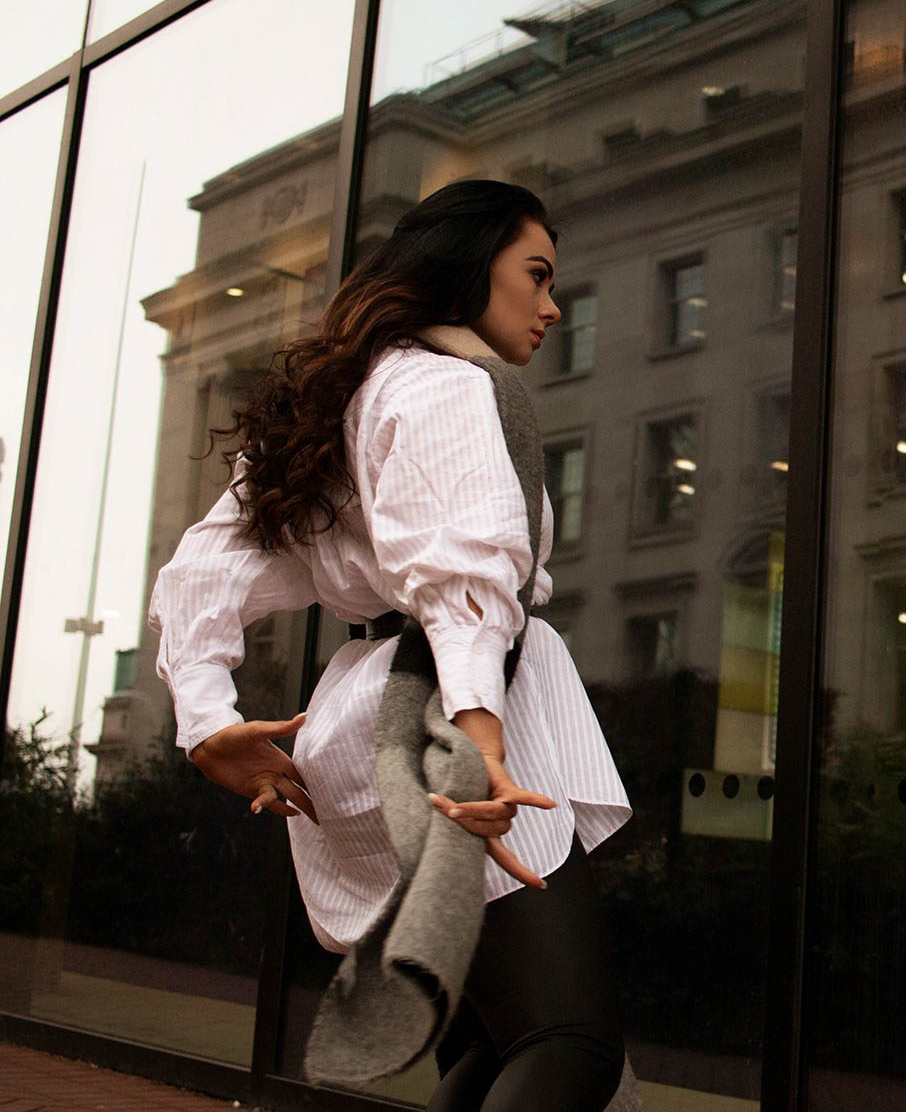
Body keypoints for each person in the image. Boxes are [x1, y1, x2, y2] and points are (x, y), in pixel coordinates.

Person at [148, 180, 631, 1111]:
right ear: (468, 264)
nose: (551, 304)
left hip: (369, 723)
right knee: (566, 1043)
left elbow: (200, 578)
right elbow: (461, 583)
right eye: (534, 275)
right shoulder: (447, 386)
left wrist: (209, 722)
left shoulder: (338, 400)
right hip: (441, 720)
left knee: (485, 1050)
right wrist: (478, 738)